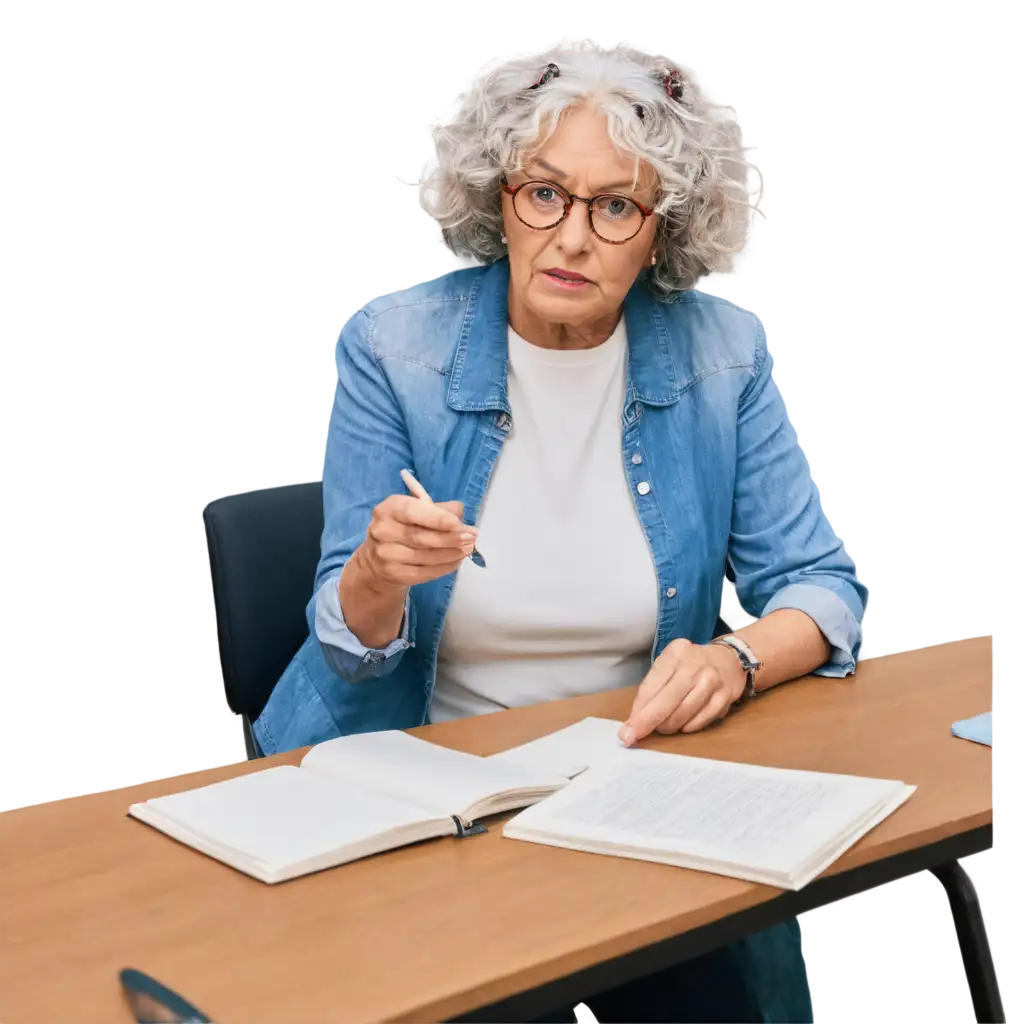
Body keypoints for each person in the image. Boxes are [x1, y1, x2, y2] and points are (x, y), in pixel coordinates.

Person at [254, 44, 866, 1023]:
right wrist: (376, 571)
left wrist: (738, 658)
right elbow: (347, 642)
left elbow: (823, 587)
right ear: (498, 199)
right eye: (544, 193)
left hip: (625, 795)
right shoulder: (393, 346)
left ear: (661, 232)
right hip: (415, 792)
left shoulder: (722, 357)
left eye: (614, 206)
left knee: (738, 970)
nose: (572, 237)